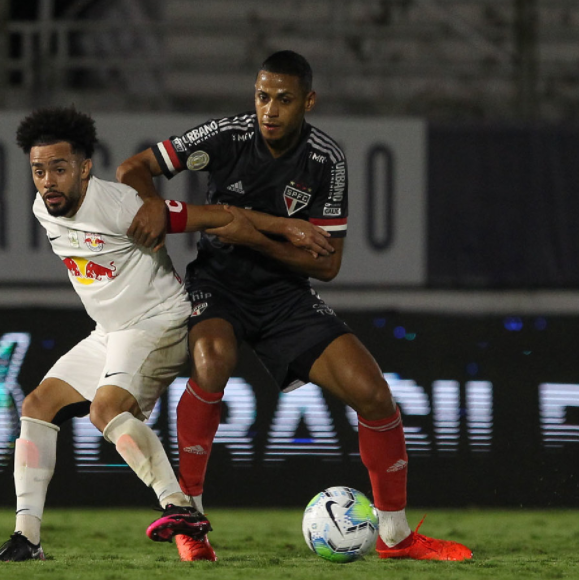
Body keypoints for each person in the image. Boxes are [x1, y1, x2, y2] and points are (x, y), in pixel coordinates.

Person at [117, 50, 474, 563]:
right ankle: (189, 520)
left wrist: (251, 234)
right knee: (213, 359)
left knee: (374, 395)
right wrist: (153, 207)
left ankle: (395, 538)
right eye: (263, 96)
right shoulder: (227, 136)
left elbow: (328, 266)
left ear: (308, 101)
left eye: (284, 99)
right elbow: (134, 167)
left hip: (285, 296)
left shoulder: (326, 160)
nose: (270, 109)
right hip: (218, 286)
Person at [0, 106, 330, 562]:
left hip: (158, 322)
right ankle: (26, 539)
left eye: (59, 168)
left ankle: (179, 507)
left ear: (85, 168)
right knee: (37, 405)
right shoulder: (42, 208)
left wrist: (285, 226)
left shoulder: (119, 206)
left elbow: (219, 216)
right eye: (38, 170)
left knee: (106, 409)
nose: (48, 180)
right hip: (110, 332)